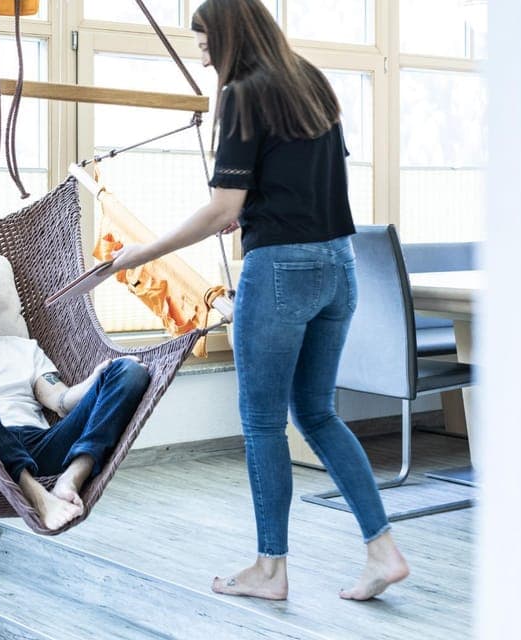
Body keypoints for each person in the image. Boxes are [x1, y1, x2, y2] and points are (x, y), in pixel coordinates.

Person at [100, 0, 409, 601]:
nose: (202, 51)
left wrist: (141, 253)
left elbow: (222, 206)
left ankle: (271, 569)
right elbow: (307, 180)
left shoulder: (243, 91)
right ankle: (383, 551)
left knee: (263, 423)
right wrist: (251, 212)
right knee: (317, 413)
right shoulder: (309, 82)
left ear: (232, 34)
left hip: (281, 272)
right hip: (339, 266)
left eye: (205, 38)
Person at [0, 252, 151, 532]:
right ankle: (34, 493)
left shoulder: (24, 348)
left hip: (42, 446)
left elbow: (61, 402)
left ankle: (72, 476)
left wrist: (96, 378)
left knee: (130, 370)